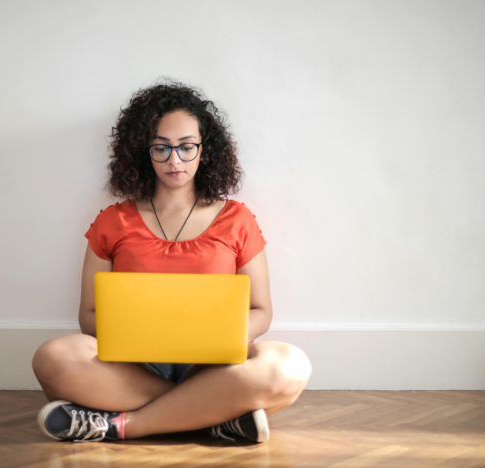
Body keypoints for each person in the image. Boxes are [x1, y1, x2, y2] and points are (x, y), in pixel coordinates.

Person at [31, 79, 312, 444]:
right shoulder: (112, 221)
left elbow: (260, 310)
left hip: (213, 366)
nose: (174, 160)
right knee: (53, 357)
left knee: (289, 366)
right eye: (161, 148)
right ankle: (212, 416)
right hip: (134, 366)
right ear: (143, 152)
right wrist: (142, 337)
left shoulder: (237, 219)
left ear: (205, 150)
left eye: (186, 147)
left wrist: (214, 340)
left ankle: (120, 425)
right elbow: (88, 316)